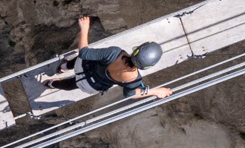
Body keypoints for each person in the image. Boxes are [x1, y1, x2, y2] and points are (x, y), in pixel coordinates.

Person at [38, 16, 173, 99]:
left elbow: (84, 53)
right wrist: (156, 91)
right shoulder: (134, 80)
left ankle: (63, 67)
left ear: (137, 50)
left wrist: (84, 28)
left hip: (84, 67)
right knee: (71, 84)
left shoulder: (114, 53)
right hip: (91, 85)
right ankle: (50, 84)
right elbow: (130, 94)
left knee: (86, 59)